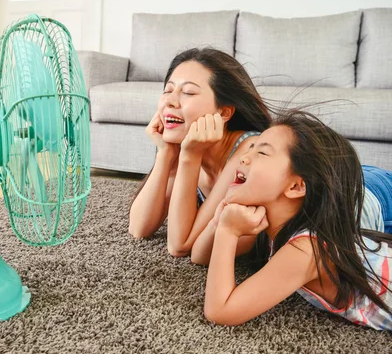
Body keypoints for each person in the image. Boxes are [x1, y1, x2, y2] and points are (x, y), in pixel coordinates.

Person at [202, 109, 392, 331]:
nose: (243, 157)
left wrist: (227, 231)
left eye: (262, 153)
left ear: (296, 187)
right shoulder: (277, 226)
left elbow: (220, 311)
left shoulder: (307, 250)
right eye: (251, 148)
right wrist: (219, 221)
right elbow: (202, 256)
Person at [128, 47, 272, 257]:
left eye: (188, 92)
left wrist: (190, 156)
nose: (170, 101)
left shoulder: (249, 150)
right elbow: (139, 229)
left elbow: (180, 246)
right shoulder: (183, 144)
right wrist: (165, 154)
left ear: (223, 112)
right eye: (168, 90)